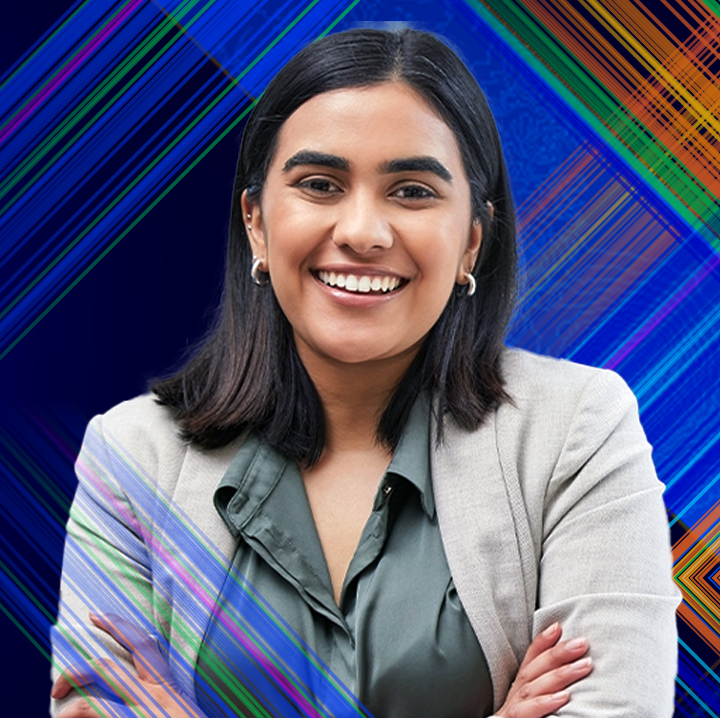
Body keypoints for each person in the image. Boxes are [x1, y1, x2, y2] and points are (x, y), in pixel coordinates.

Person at [50, 27, 680, 718]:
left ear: (472, 238)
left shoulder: (577, 431)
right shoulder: (129, 458)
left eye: (411, 191)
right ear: (256, 222)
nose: (362, 231)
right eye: (319, 184)